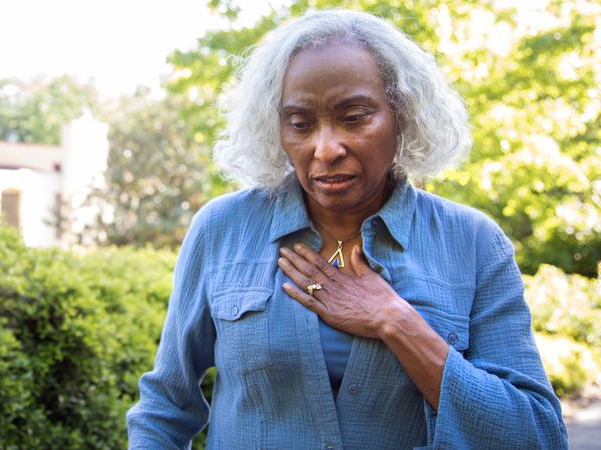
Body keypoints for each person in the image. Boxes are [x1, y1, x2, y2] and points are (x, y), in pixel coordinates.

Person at [127, 9, 568, 450]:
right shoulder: (222, 230)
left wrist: (397, 322)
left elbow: (536, 435)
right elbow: (165, 409)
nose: (325, 148)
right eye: (300, 124)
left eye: (354, 117)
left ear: (402, 115)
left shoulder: (473, 244)